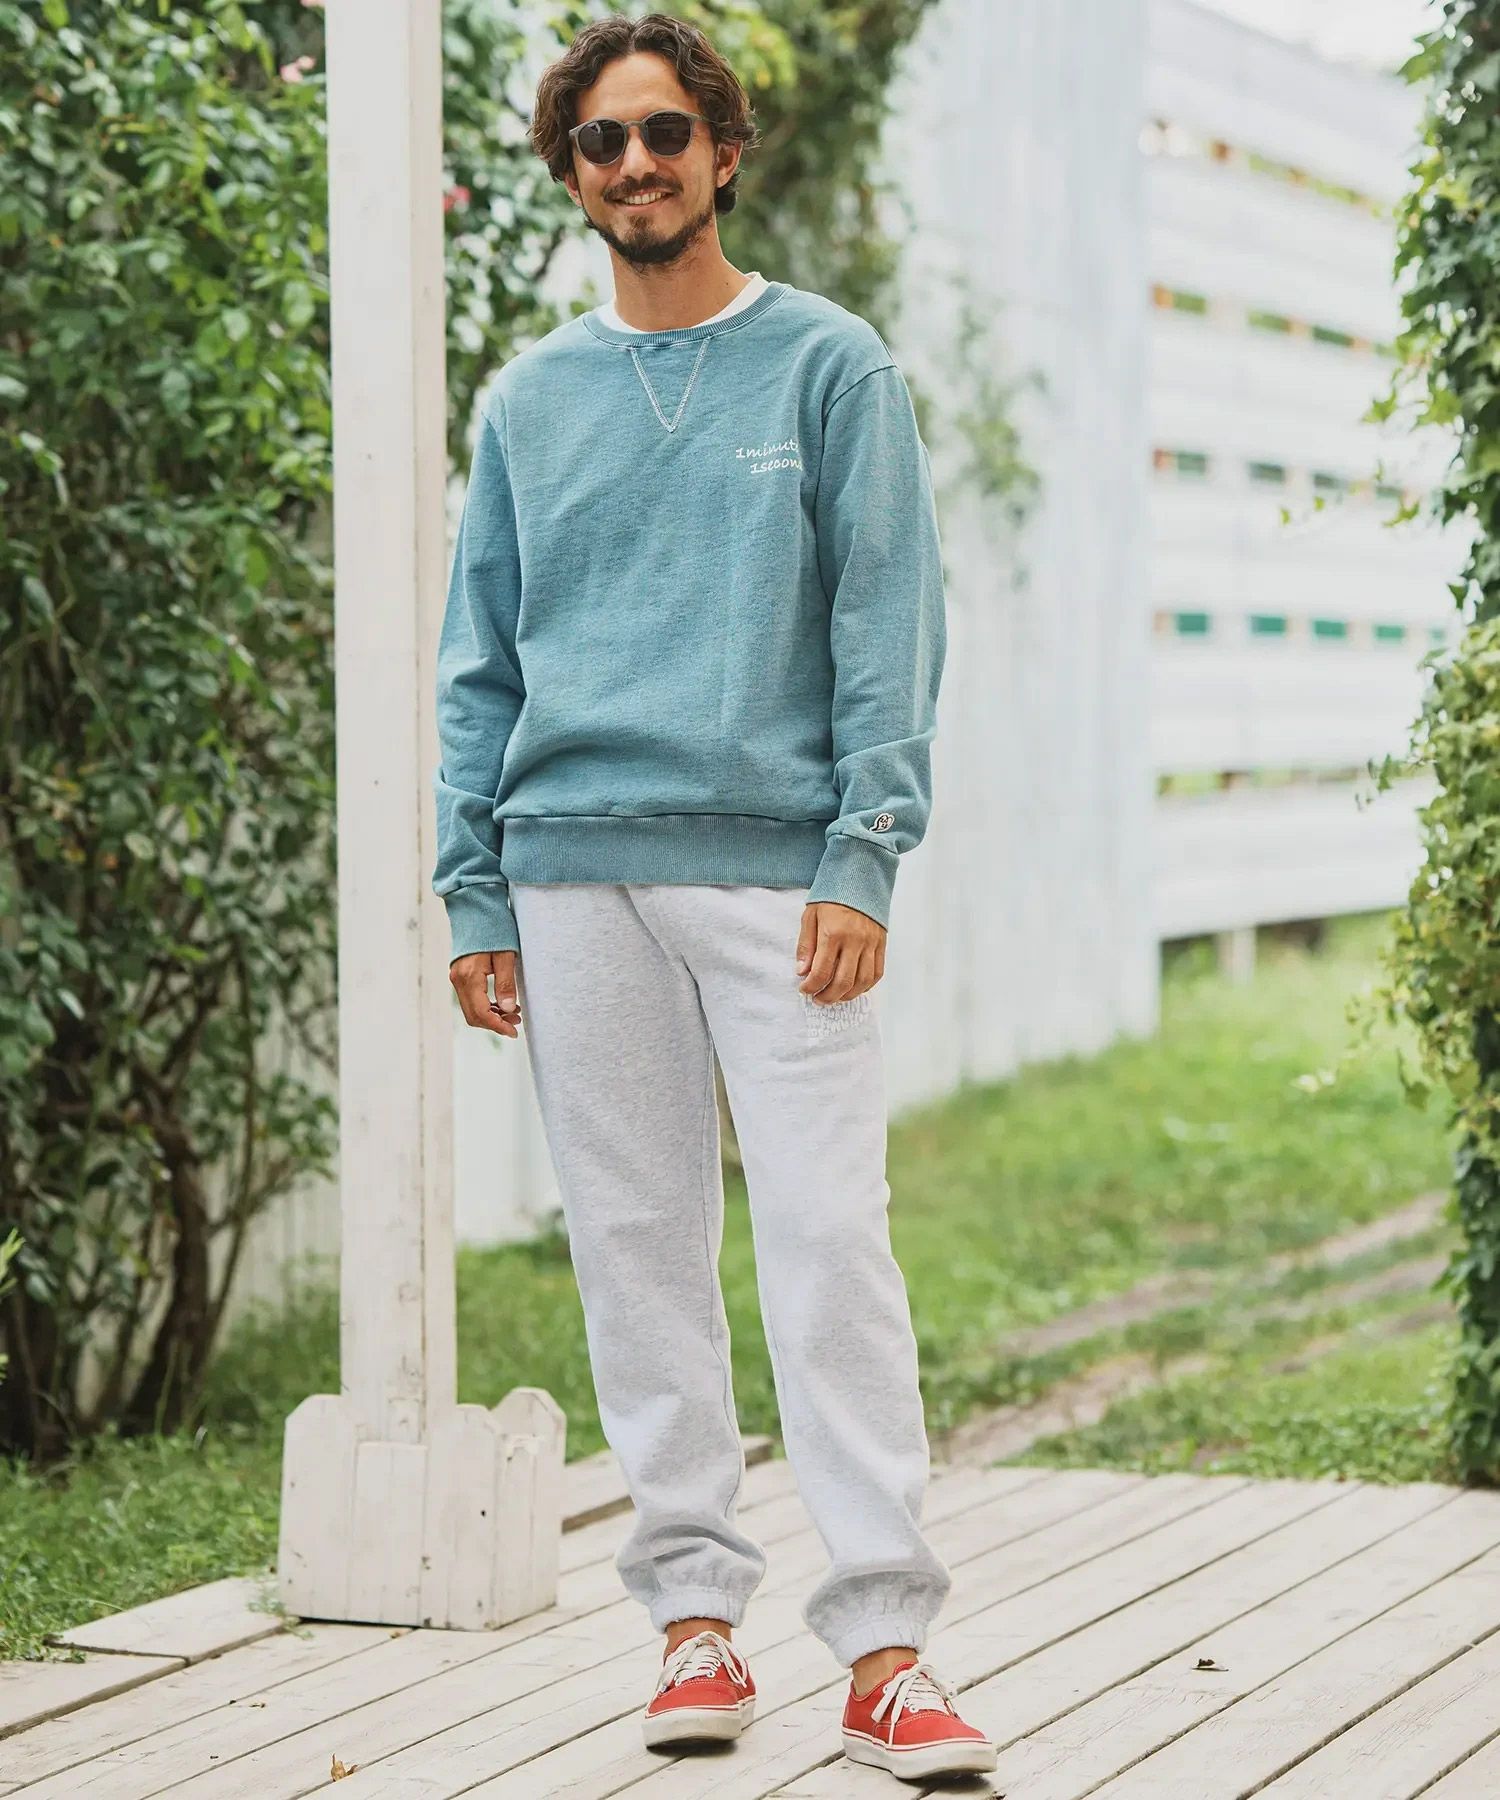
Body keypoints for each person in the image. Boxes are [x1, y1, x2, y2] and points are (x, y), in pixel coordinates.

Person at [432, 10, 994, 1784]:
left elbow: (890, 623)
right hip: (571, 877)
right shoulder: (530, 401)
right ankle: (691, 1620)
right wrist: (472, 892)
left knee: (828, 1245)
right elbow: (477, 668)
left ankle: (887, 1651)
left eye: (664, 131)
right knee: (637, 1256)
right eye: (601, 141)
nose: (636, 164)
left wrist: (865, 849)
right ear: (571, 174)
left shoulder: (830, 368)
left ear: (724, 151)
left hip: (780, 883)